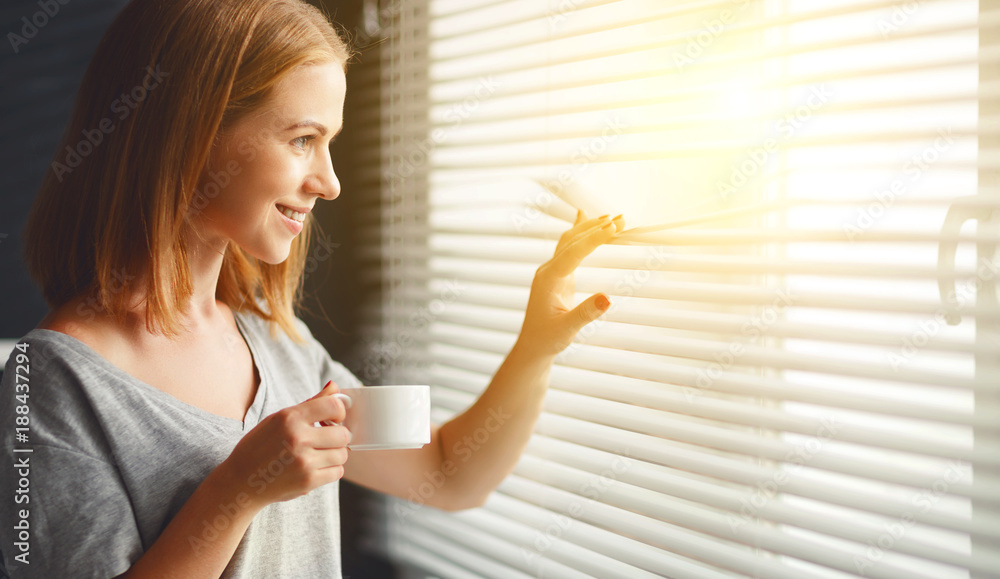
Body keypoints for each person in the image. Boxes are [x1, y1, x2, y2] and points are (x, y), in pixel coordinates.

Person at [0, 0, 625, 577]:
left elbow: (449, 474)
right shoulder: (51, 383)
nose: (329, 182)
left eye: (329, 144)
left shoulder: (279, 344)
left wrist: (537, 346)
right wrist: (237, 489)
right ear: (192, 130)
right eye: (303, 140)